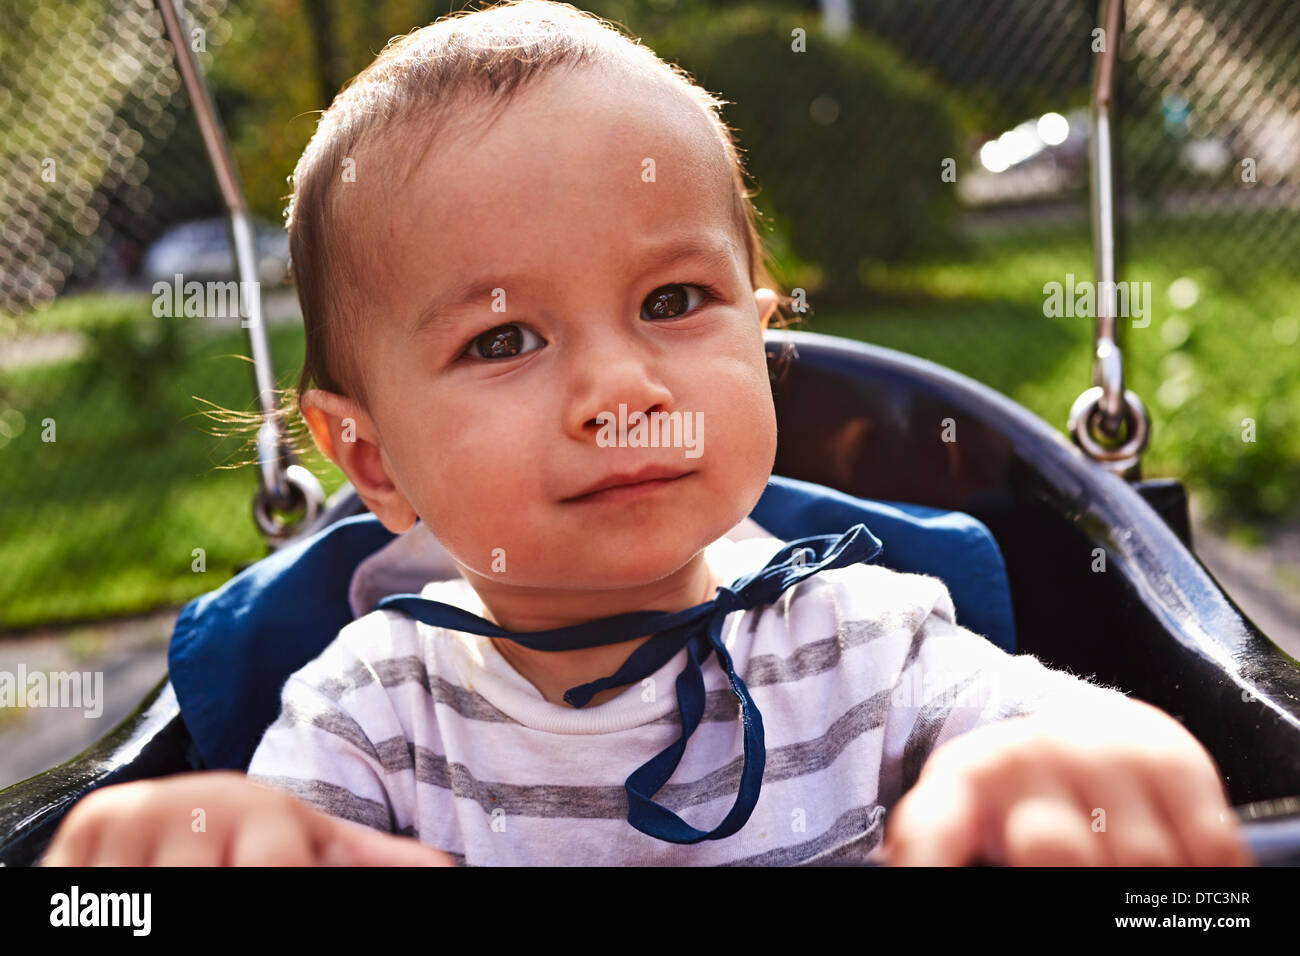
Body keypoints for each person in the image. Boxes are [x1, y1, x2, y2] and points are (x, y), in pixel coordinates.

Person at [41, 0, 1249, 867]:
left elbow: (1055, 721)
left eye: (673, 303)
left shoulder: (862, 636)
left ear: (761, 339)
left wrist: (1085, 762)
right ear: (368, 458)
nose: (619, 390)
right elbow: (278, 838)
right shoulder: (371, 713)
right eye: (504, 339)